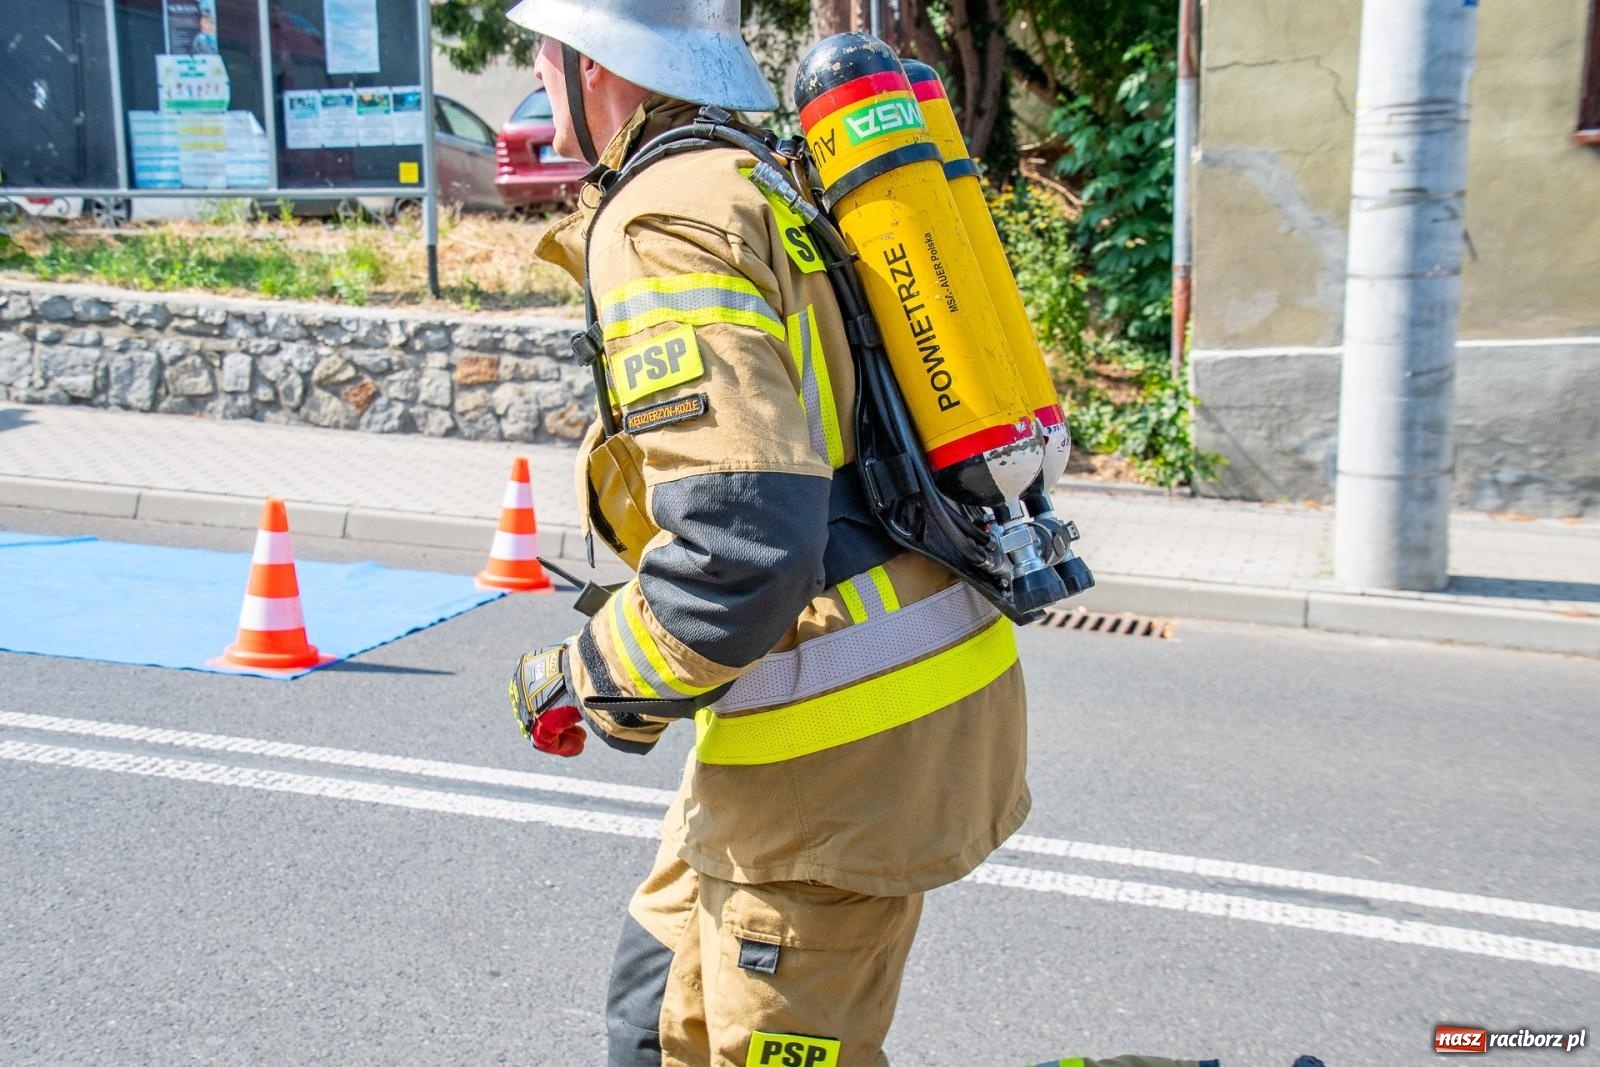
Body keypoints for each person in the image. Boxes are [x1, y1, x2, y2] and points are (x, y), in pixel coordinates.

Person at [501, 4, 1325, 1067]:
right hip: (858, 707)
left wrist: (589, 677)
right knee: (651, 1023)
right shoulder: (761, 173)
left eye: (541, 44)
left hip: (829, 754)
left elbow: (739, 549)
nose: (533, 69)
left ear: (593, 59)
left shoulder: (663, 219)